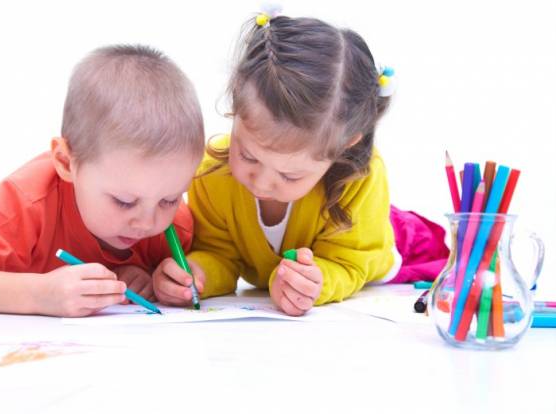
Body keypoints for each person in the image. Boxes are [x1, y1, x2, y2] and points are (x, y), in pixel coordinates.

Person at [153, 12, 448, 316]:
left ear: (343, 147)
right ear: (235, 108)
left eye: (290, 175)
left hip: (390, 246)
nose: (261, 183)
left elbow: (350, 262)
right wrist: (198, 273)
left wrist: (317, 283)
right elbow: (220, 252)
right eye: (248, 156)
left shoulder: (361, 178)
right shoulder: (212, 172)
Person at [0, 45, 205, 317]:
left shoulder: (173, 224)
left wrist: (156, 277)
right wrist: (38, 295)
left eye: (170, 200)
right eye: (124, 202)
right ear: (66, 162)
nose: (147, 223)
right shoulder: (27, 204)